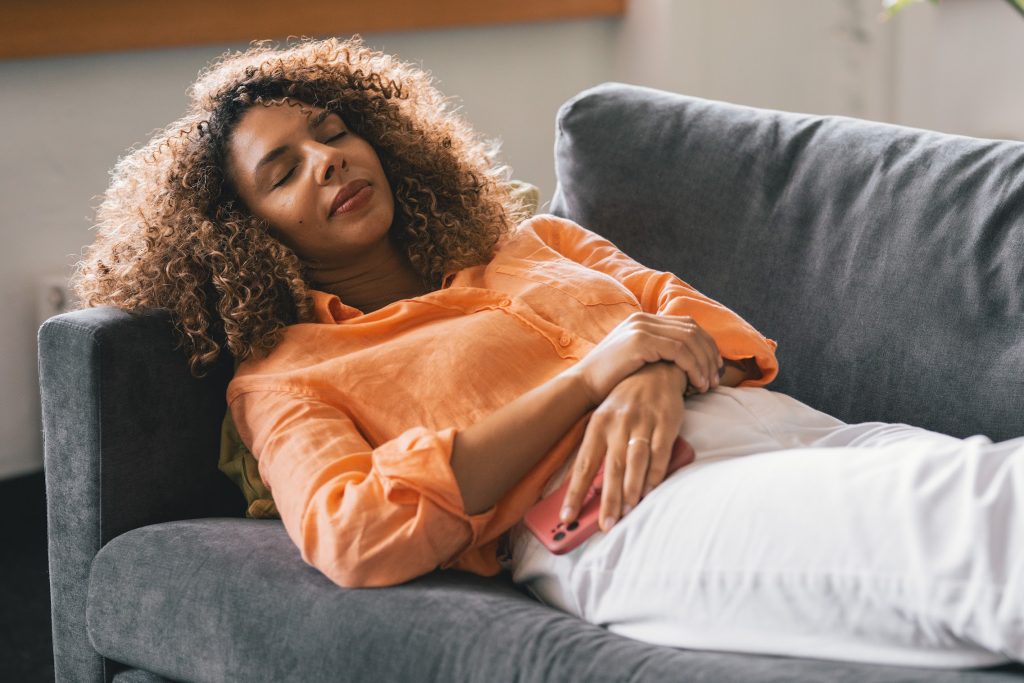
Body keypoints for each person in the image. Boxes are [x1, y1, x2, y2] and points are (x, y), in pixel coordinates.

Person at [72, 37, 1024, 669]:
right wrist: (592, 378)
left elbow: (695, 320)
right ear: (246, 235)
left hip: (794, 431)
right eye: (283, 171)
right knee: (988, 524)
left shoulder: (532, 243)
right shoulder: (286, 375)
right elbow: (354, 532)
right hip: (627, 507)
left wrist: (646, 368)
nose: (327, 159)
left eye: (333, 130)